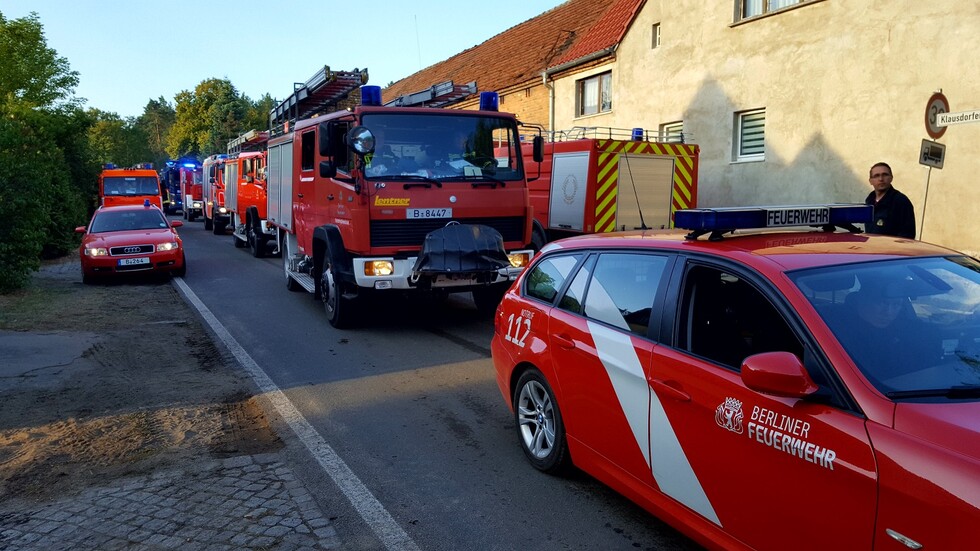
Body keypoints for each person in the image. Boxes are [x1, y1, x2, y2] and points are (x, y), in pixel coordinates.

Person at [865, 162, 916, 238]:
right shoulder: (869, 201)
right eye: (876, 176)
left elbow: (907, 235)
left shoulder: (901, 201)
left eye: (885, 175)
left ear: (891, 178)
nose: (881, 179)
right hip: (872, 248)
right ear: (870, 181)